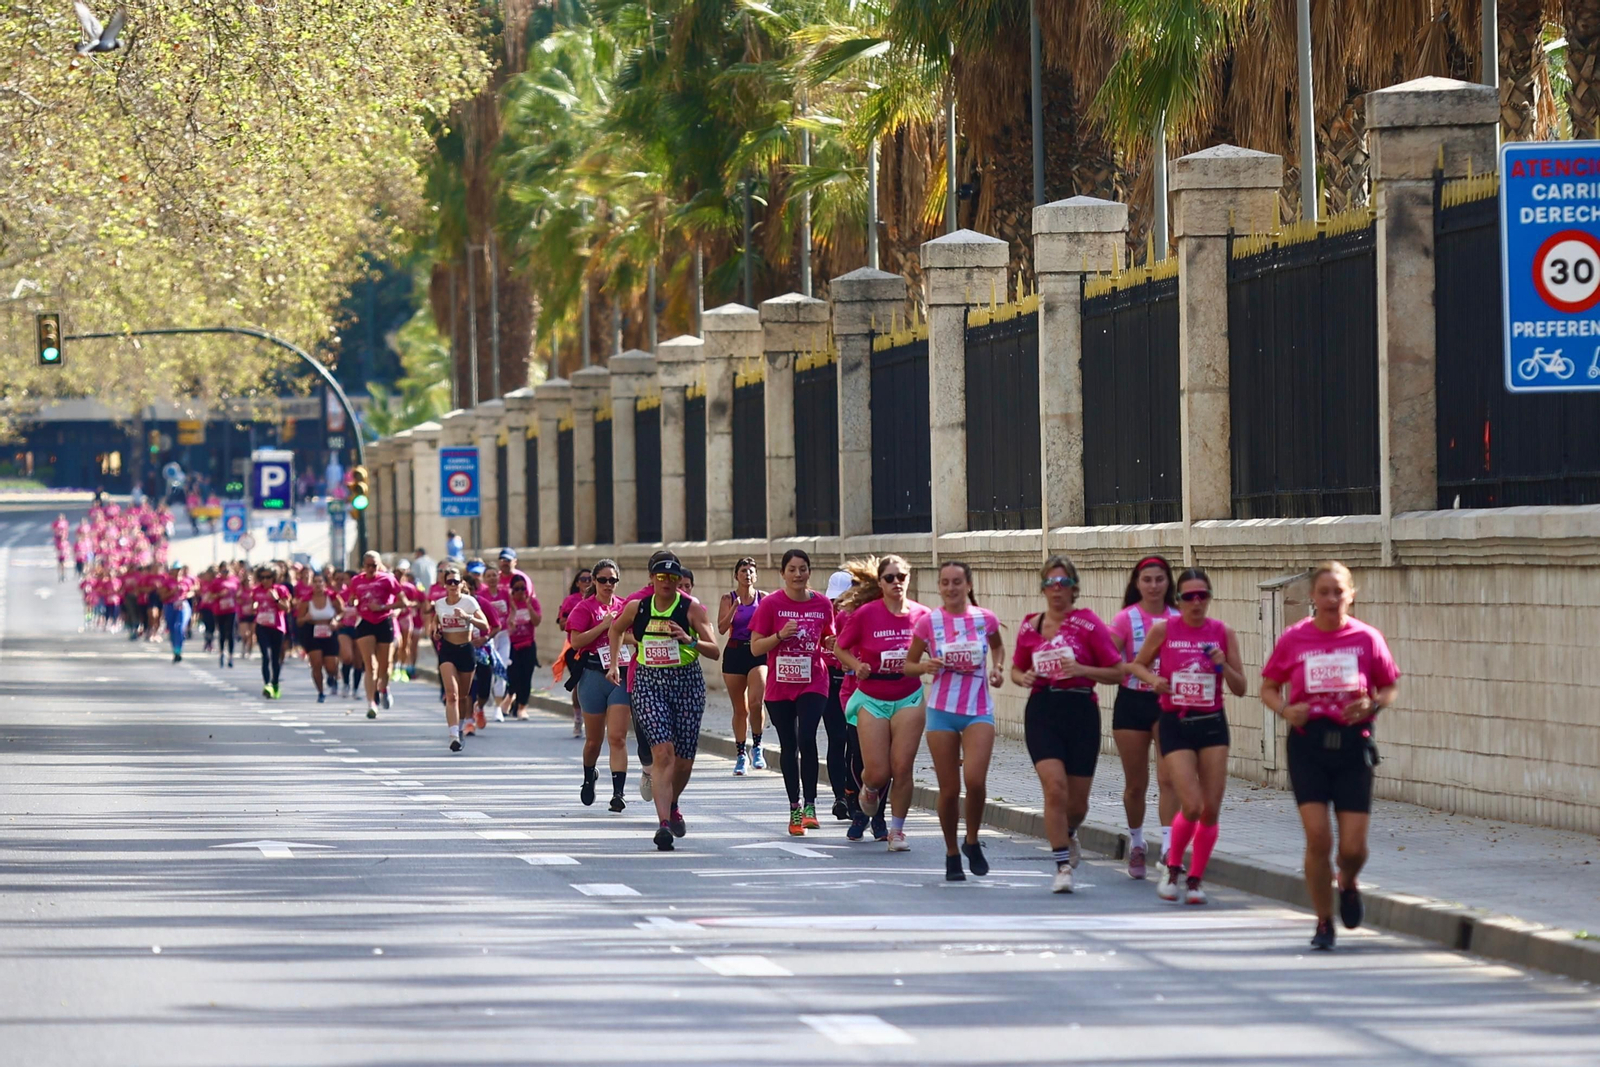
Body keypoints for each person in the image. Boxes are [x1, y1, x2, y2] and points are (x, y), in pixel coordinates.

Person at [1261, 561, 1399, 951]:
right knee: (1318, 838)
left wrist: (1372, 705)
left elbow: (1389, 686)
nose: (1331, 599)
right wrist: (1286, 710)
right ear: (1312, 597)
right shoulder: (1295, 638)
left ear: (1351, 595)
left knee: (1353, 848)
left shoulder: (1367, 638)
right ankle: (1324, 920)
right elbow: (1268, 688)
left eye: (1339, 591)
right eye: (1324, 592)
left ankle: (1348, 881)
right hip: (1308, 744)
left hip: (1354, 743)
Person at [1129, 567, 1247, 906]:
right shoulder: (1164, 629)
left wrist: (1223, 665)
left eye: (1202, 596)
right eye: (1189, 597)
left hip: (1211, 723)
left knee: (1210, 809)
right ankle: (1173, 867)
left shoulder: (1223, 632)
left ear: (1209, 598)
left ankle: (1195, 878)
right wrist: (1154, 681)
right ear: (1178, 600)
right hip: (1175, 721)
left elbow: (1241, 688)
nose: (1196, 603)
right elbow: (1136, 665)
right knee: (1191, 804)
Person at [1011, 556, 1126, 893]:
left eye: (1063, 584)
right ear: (1043, 588)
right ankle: (1062, 865)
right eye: (1050, 583)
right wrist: (1024, 677)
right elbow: (1017, 669)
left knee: (1076, 804)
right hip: (1043, 710)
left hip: (1080, 711)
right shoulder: (1030, 625)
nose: (1056, 590)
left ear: (1073, 588)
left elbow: (1117, 671)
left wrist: (1082, 670)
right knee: (1055, 788)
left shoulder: (1088, 623)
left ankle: (1070, 832)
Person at [605, 557, 719, 851]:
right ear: (651, 578)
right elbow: (616, 630)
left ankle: (673, 802)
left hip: (686, 684)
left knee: (683, 760)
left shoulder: (690, 607)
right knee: (663, 753)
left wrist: (688, 640)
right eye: (660, 576)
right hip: (649, 683)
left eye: (672, 576)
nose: (666, 581)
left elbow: (715, 650)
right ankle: (663, 824)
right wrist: (616, 664)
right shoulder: (638, 607)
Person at [905, 561, 1003, 881]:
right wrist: (926, 667)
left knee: (975, 781)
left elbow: (998, 649)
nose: (951, 588)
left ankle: (972, 840)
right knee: (949, 790)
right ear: (939, 586)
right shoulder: (929, 623)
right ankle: (951, 853)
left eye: (957, 582)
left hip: (978, 709)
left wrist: (997, 668)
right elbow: (909, 664)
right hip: (941, 711)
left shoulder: (984, 619)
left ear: (969, 585)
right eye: (945, 582)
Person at [833, 555, 925, 850]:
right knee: (878, 771)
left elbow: (941, 644)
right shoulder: (866, 614)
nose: (896, 582)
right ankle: (869, 788)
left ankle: (897, 831)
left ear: (909, 579)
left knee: (902, 768)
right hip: (872, 697)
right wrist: (855, 665)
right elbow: (840, 647)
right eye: (890, 578)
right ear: (880, 583)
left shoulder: (922, 615)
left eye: (902, 577)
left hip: (909, 695)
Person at [749, 550, 836, 837]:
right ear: (783, 574)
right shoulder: (771, 604)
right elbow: (756, 648)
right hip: (780, 685)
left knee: (806, 736)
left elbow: (827, 637)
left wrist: (833, 642)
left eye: (803, 569)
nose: (798, 574)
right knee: (789, 745)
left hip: (814, 680)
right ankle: (794, 808)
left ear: (810, 572)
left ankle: (811, 806)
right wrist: (779, 636)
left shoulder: (823, 604)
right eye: (792, 569)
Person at [1109, 555, 1180, 879]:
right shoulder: (1125, 619)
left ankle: (1169, 849)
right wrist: (1142, 670)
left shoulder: (1179, 618)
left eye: (1159, 579)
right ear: (1137, 583)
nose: (1153, 586)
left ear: (1169, 584)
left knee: (1170, 780)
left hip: (1170, 704)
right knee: (1136, 784)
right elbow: (1110, 663)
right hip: (1132, 702)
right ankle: (1137, 841)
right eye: (1147, 580)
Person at [568, 559, 634, 812]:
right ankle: (589, 776)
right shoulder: (584, 608)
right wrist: (603, 626)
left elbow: (633, 636)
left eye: (613, 580)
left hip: (619, 673)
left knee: (617, 736)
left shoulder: (625, 607)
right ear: (594, 581)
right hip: (592, 675)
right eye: (603, 580)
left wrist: (618, 630)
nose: (608, 585)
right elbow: (576, 642)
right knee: (594, 741)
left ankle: (618, 793)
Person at [429, 564, 490, 752]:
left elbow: (485, 626)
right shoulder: (439, 604)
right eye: (449, 582)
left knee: (463, 696)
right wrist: (435, 633)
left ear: (461, 583)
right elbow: (433, 626)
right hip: (447, 650)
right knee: (452, 694)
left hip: (466, 650)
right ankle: (453, 735)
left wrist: (467, 617)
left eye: (456, 581)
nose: (453, 585)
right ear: (444, 585)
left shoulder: (469, 602)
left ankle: (461, 726)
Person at [718, 557, 768, 776]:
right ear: (736, 575)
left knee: (756, 702)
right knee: (741, 708)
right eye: (743, 571)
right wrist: (734, 609)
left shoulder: (764, 598)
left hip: (757, 652)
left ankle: (757, 746)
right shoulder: (728, 598)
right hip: (735, 652)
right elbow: (721, 628)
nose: (747, 575)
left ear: (755, 576)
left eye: (751, 571)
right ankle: (741, 754)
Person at [822, 569, 863, 828]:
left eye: (844, 598)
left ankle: (853, 791)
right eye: (835, 600)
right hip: (829, 680)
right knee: (837, 738)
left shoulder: (861, 615)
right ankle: (839, 798)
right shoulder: (825, 613)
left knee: (854, 740)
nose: (839, 604)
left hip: (855, 683)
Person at [347, 551, 401, 718]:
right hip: (365, 622)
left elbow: (403, 602)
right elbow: (351, 599)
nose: (371, 569)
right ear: (363, 565)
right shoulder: (356, 580)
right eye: (368, 565)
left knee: (385, 666)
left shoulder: (388, 579)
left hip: (384, 622)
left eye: (375, 565)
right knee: (370, 665)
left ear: (379, 565)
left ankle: (384, 688)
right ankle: (371, 702)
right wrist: (353, 602)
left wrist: (384, 608)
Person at [558, 568, 595, 736]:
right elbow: (561, 624)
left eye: (590, 578)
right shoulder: (571, 600)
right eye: (583, 579)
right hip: (575, 648)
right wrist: (578, 620)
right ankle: (578, 718)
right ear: (577, 582)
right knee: (579, 682)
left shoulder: (601, 599)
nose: (587, 581)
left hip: (596, 648)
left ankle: (593, 719)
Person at [297, 573, 343, 702]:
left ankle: (332, 676)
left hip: (329, 631)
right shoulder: (306, 600)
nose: (318, 584)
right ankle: (321, 692)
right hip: (312, 632)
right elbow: (298, 621)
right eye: (315, 582)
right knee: (316, 664)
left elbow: (342, 611)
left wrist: (335, 619)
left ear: (325, 583)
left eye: (320, 582)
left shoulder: (333, 597)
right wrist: (305, 618)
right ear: (311, 584)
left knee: (331, 666)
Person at [249, 566, 291, 699]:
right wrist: (254, 607)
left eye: (268, 577)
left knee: (275, 658)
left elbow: (287, 608)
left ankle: (275, 684)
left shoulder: (281, 589)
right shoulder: (256, 590)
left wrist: (276, 599)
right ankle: (267, 685)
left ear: (274, 578)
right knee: (265, 656)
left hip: (277, 627)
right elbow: (253, 606)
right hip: (262, 626)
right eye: (262, 578)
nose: (265, 580)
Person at [504, 574, 541, 719]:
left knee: (526, 677)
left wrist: (529, 606)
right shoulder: (508, 604)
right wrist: (513, 609)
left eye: (523, 588)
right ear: (511, 590)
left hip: (528, 644)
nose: (520, 592)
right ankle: (511, 698)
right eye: (516, 589)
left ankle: (521, 707)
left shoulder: (532, 602)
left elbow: (537, 622)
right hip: (512, 646)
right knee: (514, 677)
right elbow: (508, 627)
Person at [159, 563, 195, 662]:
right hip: (170, 606)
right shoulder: (166, 582)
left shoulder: (186, 581)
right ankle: (175, 649)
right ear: (172, 571)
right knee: (172, 629)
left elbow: (192, 591)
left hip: (183, 606)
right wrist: (172, 592)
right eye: (176, 569)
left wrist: (186, 594)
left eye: (179, 569)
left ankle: (179, 650)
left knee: (179, 627)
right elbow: (162, 596)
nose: (178, 571)